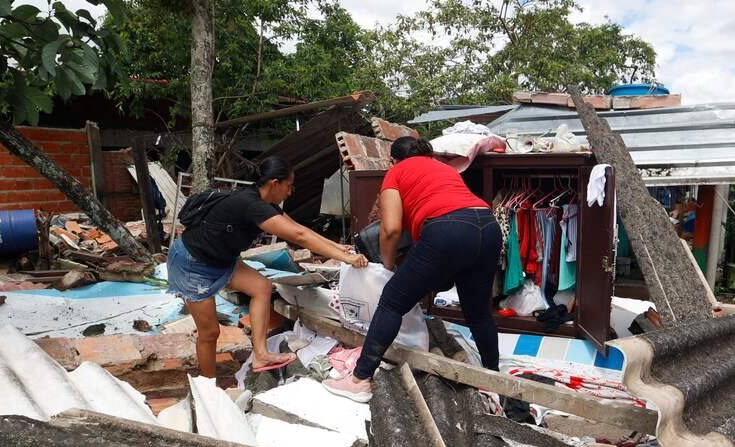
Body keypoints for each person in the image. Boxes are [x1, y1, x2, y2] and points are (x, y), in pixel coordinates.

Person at [323, 136, 501, 402]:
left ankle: (359, 380)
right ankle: (494, 381)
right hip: (488, 226)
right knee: (478, 314)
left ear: (392, 160)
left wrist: (387, 264)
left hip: (447, 228)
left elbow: (391, 228)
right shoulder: (442, 168)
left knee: (392, 302)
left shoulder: (396, 172)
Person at [167, 157, 367, 376]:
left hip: (221, 260)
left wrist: (339, 249)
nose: (290, 192)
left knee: (261, 287)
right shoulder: (252, 206)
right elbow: (299, 237)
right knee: (209, 333)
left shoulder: (263, 204)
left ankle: (261, 355)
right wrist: (345, 259)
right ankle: (208, 389)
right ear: (274, 183)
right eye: (288, 186)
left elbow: (299, 228)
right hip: (193, 263)